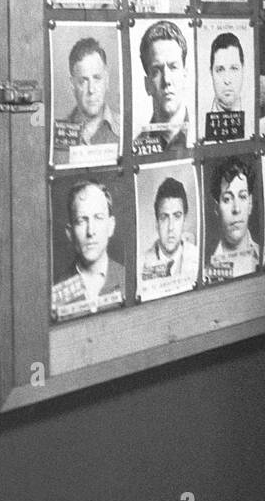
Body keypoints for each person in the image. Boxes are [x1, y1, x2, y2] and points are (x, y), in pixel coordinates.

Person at [51, 179, 125, 318]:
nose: (91, 231)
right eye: (81, 221)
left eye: (98, 218)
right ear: (70, 232)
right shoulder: (56, 292)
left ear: (111, 226)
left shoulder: (129, 279)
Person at [137, 20, 189, 151]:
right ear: (147, 84)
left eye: (173, 67)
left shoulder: (202, 134)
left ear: (185, 76)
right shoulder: (137, 148)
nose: (167, 80)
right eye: (157, 71)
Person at [206, 156, 260, 279]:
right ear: (216, 208)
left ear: (250, 203)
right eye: (227, 199)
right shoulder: (205, 270)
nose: (236, 209)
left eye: (242, 197)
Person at [59, 36, 119, 146]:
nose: (91, 90)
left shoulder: (128, 128)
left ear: (107, 80)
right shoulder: (58, 133)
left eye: (97, 78)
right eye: (83, 81)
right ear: (72, 84)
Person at [140, 177, 199, 285]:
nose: (170, 227)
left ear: (184, 220)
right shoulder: (140, 265)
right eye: (164, 217)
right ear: (156, 223)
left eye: (177, 216)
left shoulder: (198, 257)